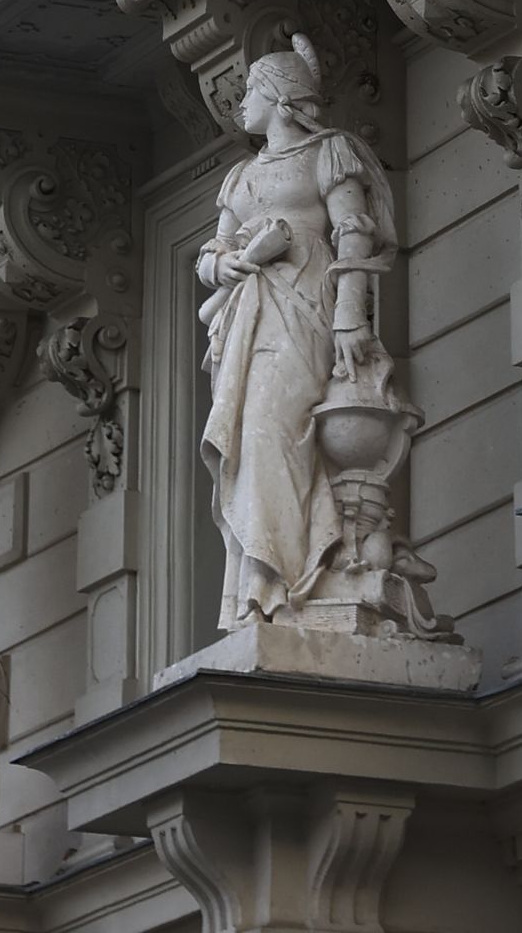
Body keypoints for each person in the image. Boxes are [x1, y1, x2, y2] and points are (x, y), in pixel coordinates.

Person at [196, 34, 394, 623]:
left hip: (305, 303)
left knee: (272, 430)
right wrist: (223, 265)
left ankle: (286, 577)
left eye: (251, 91)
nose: (241, 104)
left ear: (281, 98)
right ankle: (257, 587)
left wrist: (350, 313)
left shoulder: (329, 152)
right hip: (243, 315)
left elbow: (354, 233)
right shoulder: (241, 175)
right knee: (246, 437)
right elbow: (213, 250)